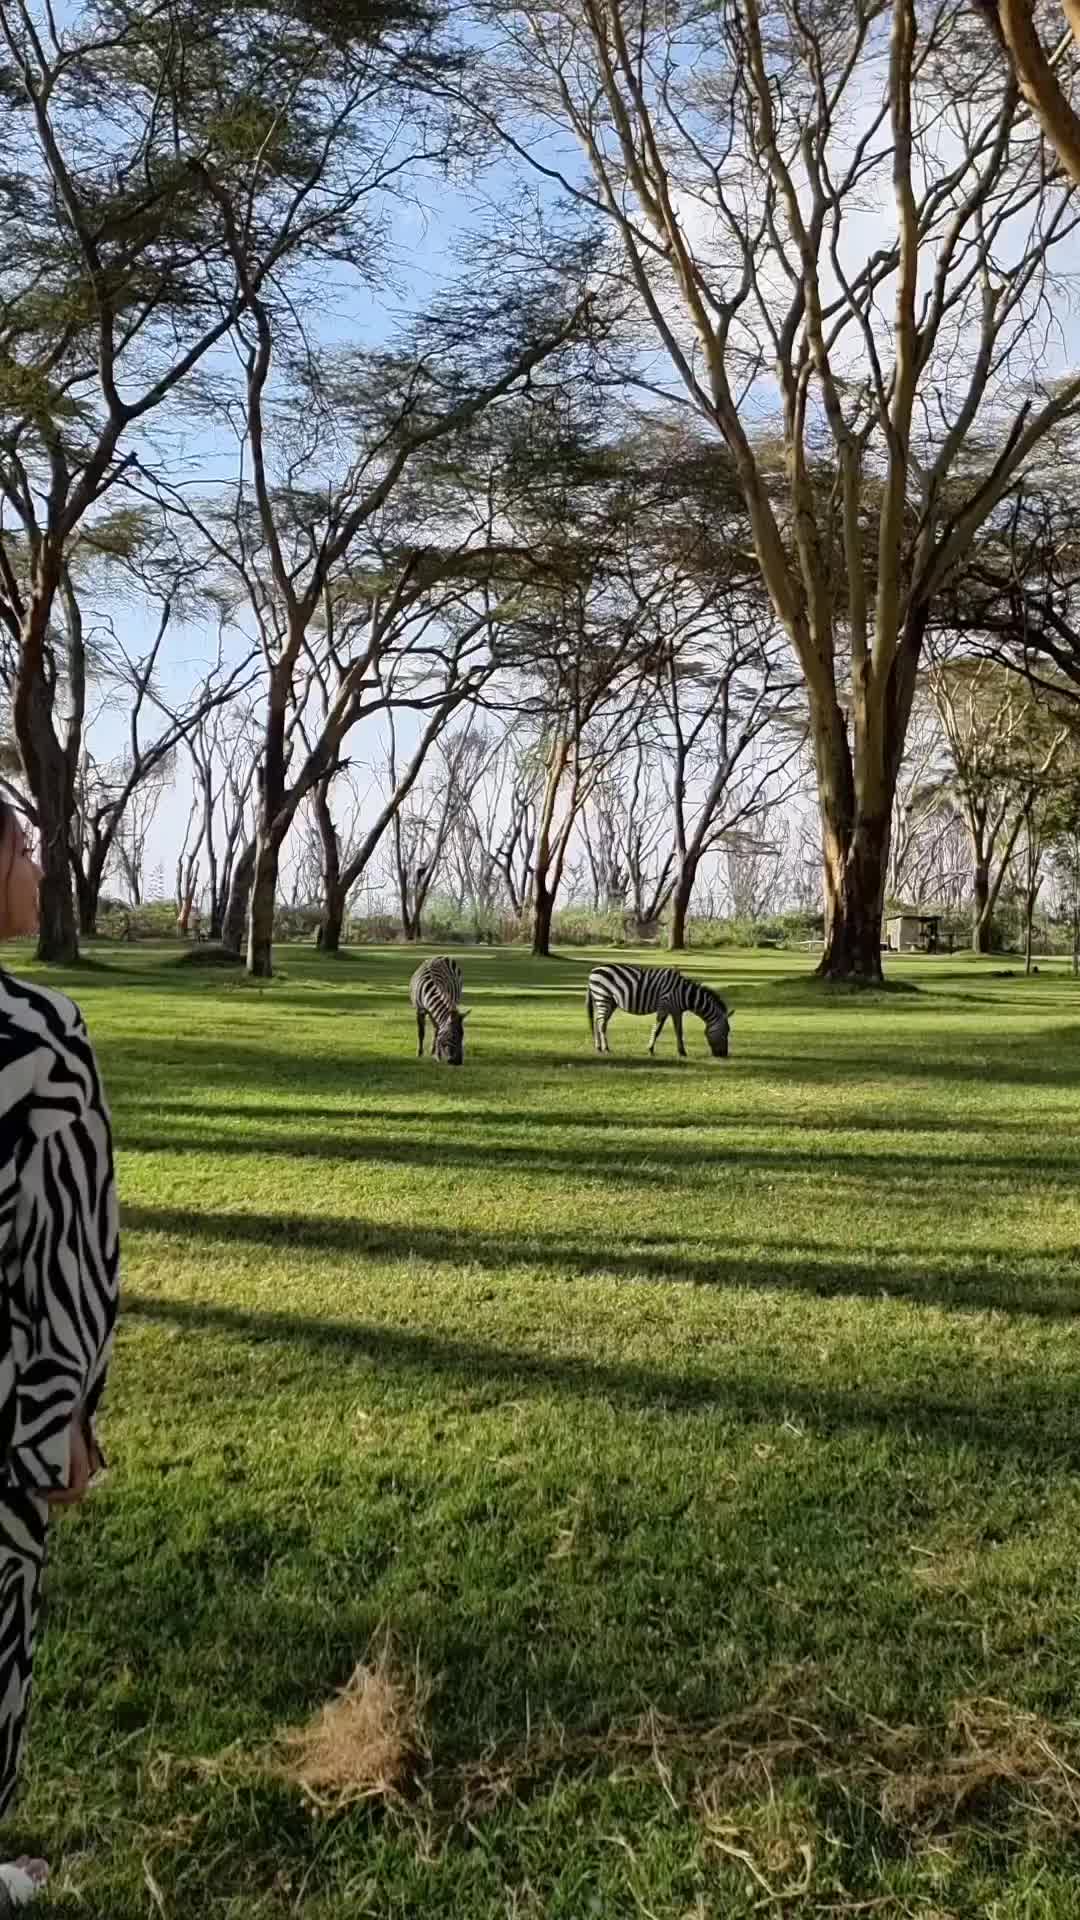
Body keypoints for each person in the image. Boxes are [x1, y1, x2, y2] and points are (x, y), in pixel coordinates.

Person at [0, 806, 119, 1913]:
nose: (39, 863)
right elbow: (70, 1258)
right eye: (22, 848)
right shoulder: (40, 1038)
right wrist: (60, 1423)